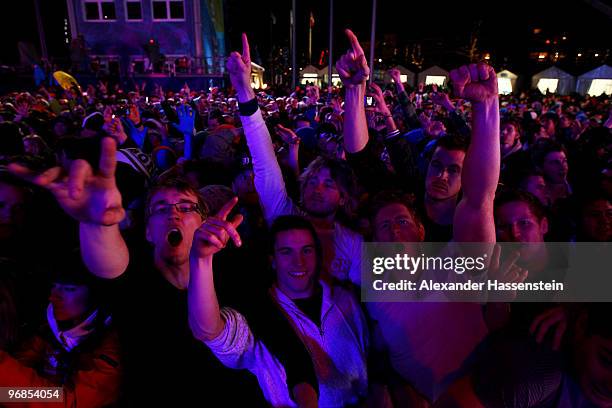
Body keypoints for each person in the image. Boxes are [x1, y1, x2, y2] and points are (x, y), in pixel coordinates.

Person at [189, 204, 369, 407]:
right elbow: (211, 332)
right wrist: (201, 259)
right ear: (272, 261)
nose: (298, 262)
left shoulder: (346, 299)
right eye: (286, 252)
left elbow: (375, 355)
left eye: (306, 251)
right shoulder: (259, 314)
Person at [226, 33, 363, 286]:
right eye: (312, 181)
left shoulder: (354, 242)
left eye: (329, 184)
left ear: (344, 197)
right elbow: (264, 161)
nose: (316, 189)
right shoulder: (284, 214)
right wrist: (244, 91)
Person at [0, 253, 121, 408]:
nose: (53, 297)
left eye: (68, 289)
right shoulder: (51, 329)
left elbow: (69, 402)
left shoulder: (110, 350)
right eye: (54, 287)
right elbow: (21, 362)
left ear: (95, 295)